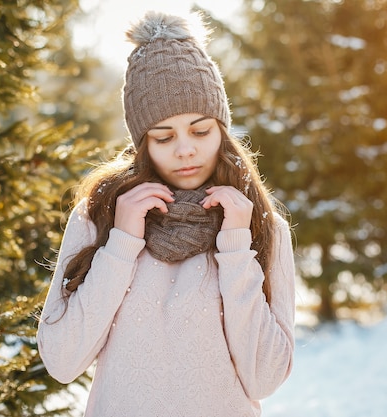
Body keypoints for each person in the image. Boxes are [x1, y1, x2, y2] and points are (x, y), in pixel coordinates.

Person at [37, 10, 296, 417]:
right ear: (142, 143)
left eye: (200, 130)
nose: (185, 150)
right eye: (163, 136)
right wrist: (121, 243)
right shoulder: (98, 218)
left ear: (222, 130)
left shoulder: (263, 228)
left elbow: (264, 378)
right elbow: (62, 361)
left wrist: (235, 248)